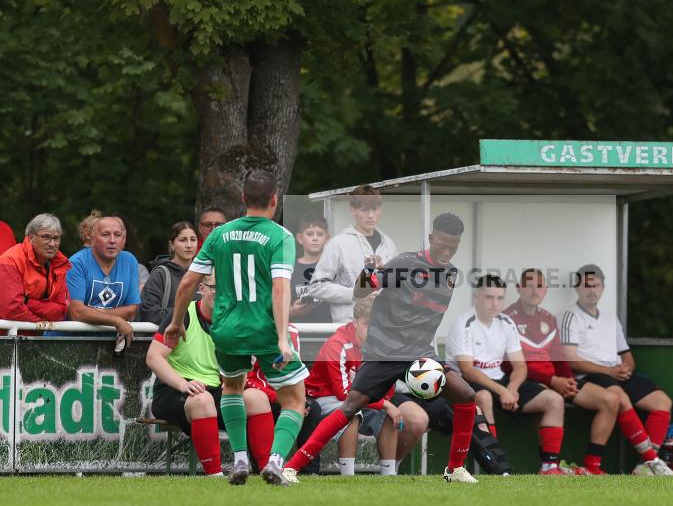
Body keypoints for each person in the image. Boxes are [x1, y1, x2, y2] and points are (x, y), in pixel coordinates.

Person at [283, 212, 480, 483]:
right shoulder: (406, 264)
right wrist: (368, 272)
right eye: (442, 244)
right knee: (351, 406)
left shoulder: (451, 274)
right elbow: (360, 293)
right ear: (431, 238)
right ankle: (291, 468)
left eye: (453, 246)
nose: (447, 250)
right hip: (385, 352)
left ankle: (454, 469)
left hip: (419, 354)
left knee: (467, 395)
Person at [164, 168, 309, 486]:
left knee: (232, 388)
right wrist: (284, 338)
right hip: (265, 328)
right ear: (274, 200)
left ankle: (240, 460)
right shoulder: (279, 236)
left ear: (243, 199)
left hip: (227, 328)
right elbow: (280, 287)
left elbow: (189, 280)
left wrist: (175, 323)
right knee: (295, 400)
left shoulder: (219, 234)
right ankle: (273, 462)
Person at [146, 270, 276, 476]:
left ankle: (268, 471)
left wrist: (232, 379)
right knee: (202, 400)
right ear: (201, 288)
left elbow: (241, 362)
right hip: (175, 390)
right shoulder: (183, 314)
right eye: (214, 287)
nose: (220, 293)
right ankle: (213, 476)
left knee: (257, 398)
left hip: (216, 389)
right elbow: (154, 357)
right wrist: (182, 384)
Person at [505, 268, 621, 475]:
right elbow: (509, 365)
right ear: (519, 288)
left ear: (545, 290)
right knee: (552, 400)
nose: (534, 290)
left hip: (555, 380)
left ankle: (592, 466)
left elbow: (559, 358)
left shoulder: (548, 318)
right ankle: (549, 467)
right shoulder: (507, 319)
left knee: (611, 401)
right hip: (525, 382)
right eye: (529, 285)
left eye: (539, 286)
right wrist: (552, 380)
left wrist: (568, 380)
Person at [447, 274, 567, 475]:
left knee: (554, 400)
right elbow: (467, 370)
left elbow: (520, 367)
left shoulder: (506, 322)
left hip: (500, 382)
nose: (495, 303)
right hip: (467, 383)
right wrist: (503, 391)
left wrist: (511, 389)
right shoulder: (463, 322)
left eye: (500, 298)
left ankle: (549, 468)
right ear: (476, 297)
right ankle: (496, 467)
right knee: (483, 397)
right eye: (489, 297)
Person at [562, 264, 673, 476]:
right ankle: (653, 461)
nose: (592, 290)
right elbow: (571, 362)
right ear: (577, 288)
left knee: (663, 402)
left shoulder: (610, 318)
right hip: (590, 376)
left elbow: (627, 356)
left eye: (596, 285)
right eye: (587, 286)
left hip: (616, 375)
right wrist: (610, 372)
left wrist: (625, 370)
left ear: (603, 288)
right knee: (620, 398)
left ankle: (644, 466)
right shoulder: (572, 316)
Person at [284, 296, 403, 481]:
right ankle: (348, 476)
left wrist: (386, 405)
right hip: (324, 397)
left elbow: (385, 389)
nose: (372, 330)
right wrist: (385, 404)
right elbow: (343, 393)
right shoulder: (338, 344)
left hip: (359, 398)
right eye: (367, 324)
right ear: (355, 322)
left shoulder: (382, 347)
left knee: (392, 415)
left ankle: (389, 476)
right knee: (352, 413)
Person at [308, 185, 398, 323]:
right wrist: (356, 294)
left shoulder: (389, 245)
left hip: (382, 326)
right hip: (348, 326)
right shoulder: (337, 244)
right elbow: (316, 287)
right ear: (353, 210)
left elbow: (394, 285)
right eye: (365, 209)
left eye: (375, 209)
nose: (371, 215)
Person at [63, 216, 141, 345]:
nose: (112, 240)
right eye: (105, 235)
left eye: (117, 235)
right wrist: (117, 321)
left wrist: (94, 313)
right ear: (92, 239)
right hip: (70, 342)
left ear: (124, 239)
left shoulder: (129, 260)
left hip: (107, 343)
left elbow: (132, 310)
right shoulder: (75, 263)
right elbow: (76, 313)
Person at [0, 214, 70, 323]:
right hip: (8, 337)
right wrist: (42, 323)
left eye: (56, 238)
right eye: (46, 237)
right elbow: (12, 311)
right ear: (31, 238)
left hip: (36, 337)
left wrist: (28, 302)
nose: (52, 244)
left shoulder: (59, 265)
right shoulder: (10, 260)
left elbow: (61, 311)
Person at [139, 222, 198, 325]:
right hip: (167, 339)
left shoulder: (204, 274)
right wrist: (187, 318)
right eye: (183, 240)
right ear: (172, 245)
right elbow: (148, 312)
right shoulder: (160, 274)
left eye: (193, 239)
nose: (189, 245)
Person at [289, 214, 332, 323]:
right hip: (300, 335)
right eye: (309, 234)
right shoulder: (289, 270)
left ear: (327, 238)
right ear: (299, 238)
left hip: (330, 334)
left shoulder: (334, 267)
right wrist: (292, 311)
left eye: (320, 234)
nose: (315, 238)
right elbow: (276, 305)